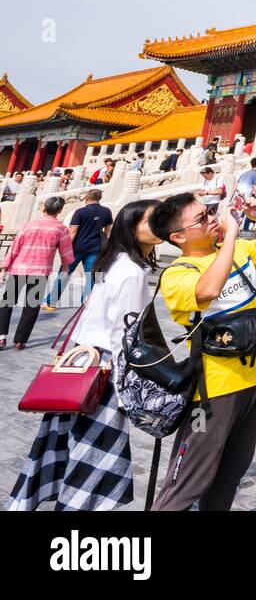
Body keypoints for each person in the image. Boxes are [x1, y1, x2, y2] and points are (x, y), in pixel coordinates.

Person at [8, 200, 162, 510]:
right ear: (132, 227)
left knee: (62, 443)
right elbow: (124, 334)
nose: (163, 224)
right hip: (103, 373)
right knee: (94, 452)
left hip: (80, 365)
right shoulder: (131, 271)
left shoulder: (113, 261)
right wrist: (125, 389)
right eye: (155, 219)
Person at [149, 190, 256, 511]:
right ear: (178, 237)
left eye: (211, 212)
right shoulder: (177, 273)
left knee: (232, 471)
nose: (213, 219)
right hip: (214, 389)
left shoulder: (236, 248)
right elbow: (209, 289)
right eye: (202, 219)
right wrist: (231, 234)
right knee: (189, 480)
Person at [0, 197, 74, 349]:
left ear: (43, 208)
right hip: (40, 271)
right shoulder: (61, 229)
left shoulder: (29, 225)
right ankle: (20, 341)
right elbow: (66, 252)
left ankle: (1, 337)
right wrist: (66, 268)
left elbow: (14, 247)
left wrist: (4, 268)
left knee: (7, 303)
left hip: (19, 269)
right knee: (31, 306)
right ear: (59, 211)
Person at [49, 189, 113, 305]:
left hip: (76, 248)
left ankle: (51, 301)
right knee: (91, 275)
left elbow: (73, 232)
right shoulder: (106, 211)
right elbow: (108, 231)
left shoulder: (80, 212)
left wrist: (65, 248)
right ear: (99, 198)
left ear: (86, 198)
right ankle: (86, 301)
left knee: (64, 273)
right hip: (95, 248)